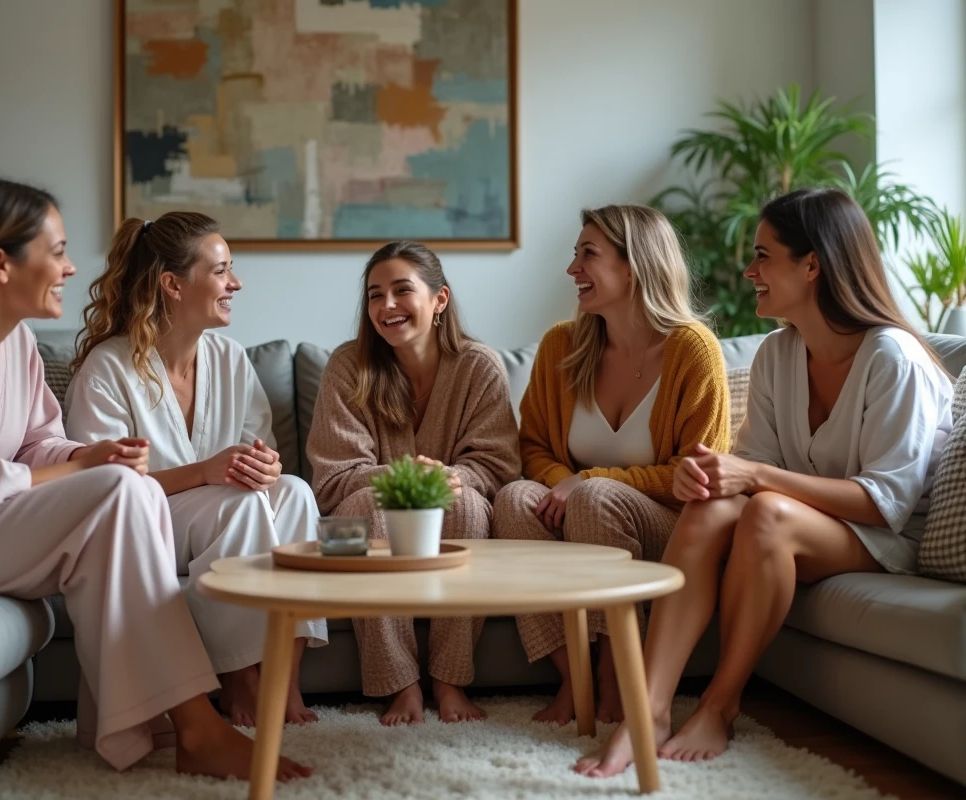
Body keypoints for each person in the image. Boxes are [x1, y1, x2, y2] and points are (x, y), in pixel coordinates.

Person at [0, 176, 310, 782]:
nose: (72, 268)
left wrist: (89, 451)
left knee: (126, 487)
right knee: (122, 490)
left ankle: (168, 724)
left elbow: (36, 442)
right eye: (55, 252)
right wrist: (79, 467)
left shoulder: (15, 343)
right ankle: (196, 728)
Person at [578, 188, 953, 777]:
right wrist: (703, 477)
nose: (748, 271)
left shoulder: (893, 358)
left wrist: (752, 475)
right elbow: (747, 476)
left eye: (762, 255)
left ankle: (720, 705)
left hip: (888, 539)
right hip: (807, 523)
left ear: (812, 265)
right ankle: (646, 710)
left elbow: (886, 503)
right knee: (713, 506)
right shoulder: (780, 354)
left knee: (766, 513)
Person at [65, 211, 327, 727]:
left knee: (294, 492)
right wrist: (205, 471)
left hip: (219, 511)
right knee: (238, 503)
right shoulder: (109, 367)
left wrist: (267, 467)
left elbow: (260, 458)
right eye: (222, 270)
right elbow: (100, 489)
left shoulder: (231, 359)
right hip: (145, 522)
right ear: (173, 285)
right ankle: (239, 680)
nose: (236, 282)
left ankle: (285, 683)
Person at [492, 204, 730, 725]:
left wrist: (589, 481)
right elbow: (531, 447)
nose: (572, 269)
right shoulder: (561, 345)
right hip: (580, 511)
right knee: (513, 500)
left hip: (669, 525)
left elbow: (700, 476)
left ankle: (615, 678)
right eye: (575, 255)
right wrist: (561, 484)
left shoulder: (694, 351)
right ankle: (573, 679)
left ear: (634, 265)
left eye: (588, 255)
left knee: (598, 498)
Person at [306, 240, 520, 726]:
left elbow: (498, 469)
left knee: (464, 504)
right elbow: (333, 481)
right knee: (368, 506)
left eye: (402, 291)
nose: (386, 306)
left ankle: (449, 680)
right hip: (349, 526)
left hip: (454, 514)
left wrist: (450, 479)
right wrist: (408, 479)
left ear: (439, 299)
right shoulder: (347, 366)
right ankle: (398, 684)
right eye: (375, 295)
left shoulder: (479, 367)